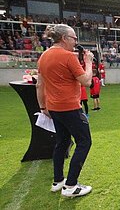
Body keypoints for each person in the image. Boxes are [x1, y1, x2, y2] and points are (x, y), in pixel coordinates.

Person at [36, 24, 94, 197]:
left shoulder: (43, 56)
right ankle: (70, 186)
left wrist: (43, 107)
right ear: (64, 38)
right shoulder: (68, 56)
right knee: (84, 142)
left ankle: (58, 181)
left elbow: (40, 84)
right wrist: (89, 62)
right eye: (74, 38)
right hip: (70, 107)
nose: (75, 42)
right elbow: (86, 81)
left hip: (53, 108)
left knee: (62, 142)